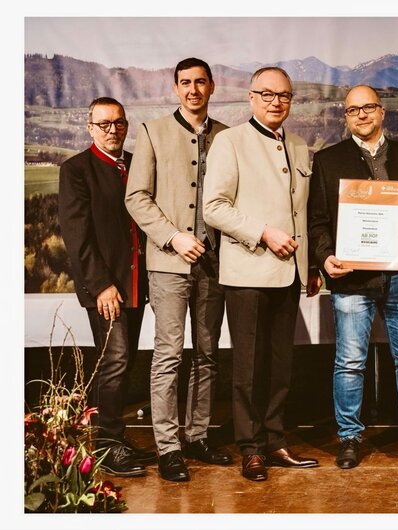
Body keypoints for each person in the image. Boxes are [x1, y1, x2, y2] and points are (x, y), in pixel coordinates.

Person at [308, 85, 398, 470]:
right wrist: (324, 257)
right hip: (352, 276)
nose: (362, 115)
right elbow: (318, 221)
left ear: (382, 112)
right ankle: (350, 437)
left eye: (368, 108)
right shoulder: (328, 160)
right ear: (345, 116)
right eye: (353, 110)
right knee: (350, 361)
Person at [203, 66, 320, 482]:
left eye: (284, 95)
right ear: (250, 98)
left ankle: (274, 441)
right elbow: (213, 207)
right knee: (248, 368)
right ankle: (249, 447)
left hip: (289, 274)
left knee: (280, 365)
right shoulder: (229, 141)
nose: (276, 102)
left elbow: (302, 213)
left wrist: (309, 266)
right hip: (248, 272)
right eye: (267, 94)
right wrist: (263, 233)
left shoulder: (301, 145)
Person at [125, 58, 231, 482]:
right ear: (175, 88)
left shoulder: (227, 136)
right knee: (168, 354)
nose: (193, 90)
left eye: (200, 82)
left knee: (207, 355)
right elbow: (136, 198)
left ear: (211, 87)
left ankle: (198, 435)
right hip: (169, 262)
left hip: (217, 262)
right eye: (185, 83)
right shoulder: (153, 132)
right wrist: (173, 237)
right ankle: (168, 447)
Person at [58, 97, 155, 477]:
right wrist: (100, 286)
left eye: (118, 123)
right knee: (113, 362)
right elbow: (77, 236)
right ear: (89, 127)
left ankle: (113, 436)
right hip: (107, 288)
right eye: (103, 124)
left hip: (135, 285)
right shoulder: (76, 170)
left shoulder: (134, 165)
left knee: (124, 361)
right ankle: (107, 446)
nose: (112, 130)